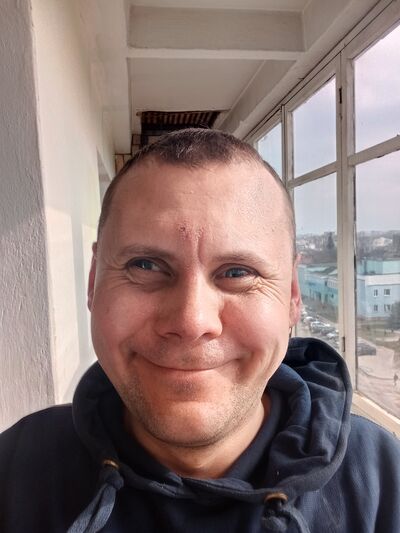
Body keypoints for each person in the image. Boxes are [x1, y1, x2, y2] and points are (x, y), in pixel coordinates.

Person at [0, 129, 399, 533]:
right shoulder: (15, 469)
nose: (191, 323)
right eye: (145, 265)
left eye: (238, 272)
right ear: (93, 282)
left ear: (293, 295)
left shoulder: (383, 481)